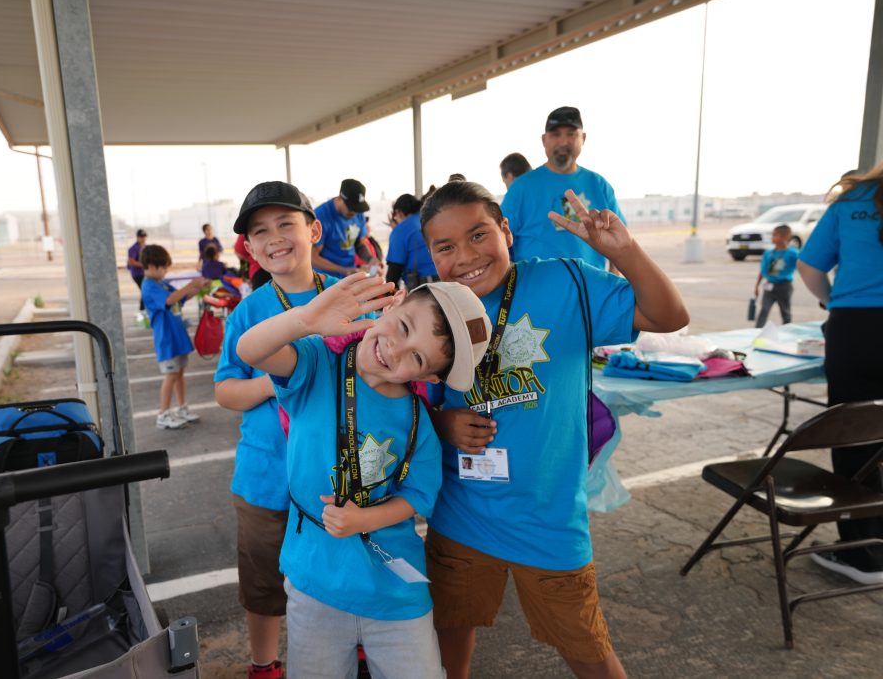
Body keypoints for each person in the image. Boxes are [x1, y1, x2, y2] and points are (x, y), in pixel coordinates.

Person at [420, 180, 688, 679]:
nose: (466, 256)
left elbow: (668, 316)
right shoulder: (430, 306)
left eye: (479, 235)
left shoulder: (566, 282)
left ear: (506, 230)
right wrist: (441, 421)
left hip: (549, 519)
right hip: (461, 517)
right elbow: (394, 400)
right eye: (446, 247)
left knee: (590, 652)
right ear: (431, 254)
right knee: (447, 646)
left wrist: (625, 253)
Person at [236, 271, 492, 679]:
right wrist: (306, 320)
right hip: (315, 578)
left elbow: (419, 495)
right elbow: (250, 350)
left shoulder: (417, 421)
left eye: (418, 358)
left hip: (395, 594)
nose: (396, 349)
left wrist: (364, 519)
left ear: (426, 378)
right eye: (404, 326)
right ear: (392, 305)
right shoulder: (318, 365)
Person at [215, 181, 337, 679]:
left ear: (314, 229)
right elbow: (226, 390)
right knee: (264, 583)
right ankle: (263, 663)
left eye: (286, 224)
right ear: (249, 248)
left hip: (338, 474)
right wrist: (272, 382)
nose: (274, 238)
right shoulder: (249, 309)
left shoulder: (351, 294)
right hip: (266, 476)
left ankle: (351, 647)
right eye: (259, 232)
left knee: (339, 569)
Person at [798, 162, 883, 585]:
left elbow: (810, 267)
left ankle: (863, 553)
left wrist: (834, 303)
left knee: (855, 438)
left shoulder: (853, 200)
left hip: (858, 328)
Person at [502, 106, 626, 270]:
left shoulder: (599, 184)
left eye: (571, 134)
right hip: (536, 291)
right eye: (555, 134)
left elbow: (619, 241)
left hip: (592, 290)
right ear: (544, 140)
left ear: (583, 138)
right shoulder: (521, 188)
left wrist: (613, 277)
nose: (563, 142)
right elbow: (500, 240)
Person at [139, 244, 208, 430]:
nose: (165, 271)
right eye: (163, 268)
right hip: (166, 340)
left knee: (179, 374)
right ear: (152, 266)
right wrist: (191, 284)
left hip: (177, 337)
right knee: (170, 375)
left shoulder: (161, 283)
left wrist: (198, 288)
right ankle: (163, 414)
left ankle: (182, 407)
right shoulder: (149, 286)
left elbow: (181, 298)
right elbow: (170, 300)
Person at [312, 178, 374, 278]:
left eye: (357, 208)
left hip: (349, 274)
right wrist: (345, 270)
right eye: (351, 207)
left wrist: (371, 259)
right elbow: (312, 258)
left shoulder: (358, 213)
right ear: (340, 197)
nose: (354, 212)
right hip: (325, 279)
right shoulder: (321, 216)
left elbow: (359, 244)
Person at [385, 193, 438, 290]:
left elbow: (393, 272)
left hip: (423, 287)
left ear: (399, 212)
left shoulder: (400, 230)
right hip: (446, 280)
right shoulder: (430, 220)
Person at [753, 224, 798, 327]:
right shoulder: (768, 253)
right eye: (773, 235)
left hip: (784, 286)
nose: (772, 238)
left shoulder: (793, 254)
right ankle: (757, 331)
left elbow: (803, 266)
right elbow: (762, 270)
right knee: (764, 310)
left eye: (775, 235)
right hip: (769, 285)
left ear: (785, 237)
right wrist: (757, 286)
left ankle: (788, 330)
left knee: (785, 312)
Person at [126, 229, 148, 312]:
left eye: (144, 236)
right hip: (137, 274)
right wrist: (144, 264)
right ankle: (142, 310)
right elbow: (131, 262)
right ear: (137, 237)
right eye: (141, 236)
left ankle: (144, 309)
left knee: (145, 291)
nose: (143, 238)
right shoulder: (133, 248)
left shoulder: (145, 247)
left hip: (145, 273)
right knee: (144, 290)